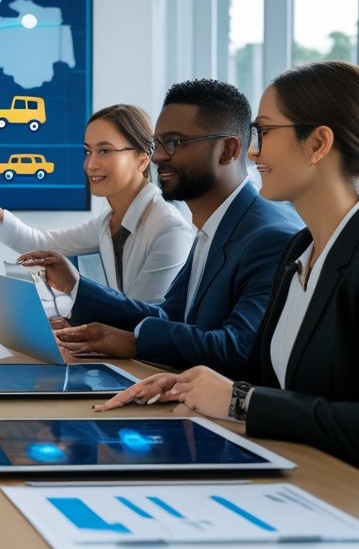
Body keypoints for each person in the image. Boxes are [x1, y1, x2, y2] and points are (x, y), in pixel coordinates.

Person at [96, 61, 359, 489]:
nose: (255, 152)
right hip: (289, 478)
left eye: (266, 132)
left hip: (352, 499)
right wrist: (195, 385)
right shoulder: (300, 251)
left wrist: (242, 402)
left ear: (318, 143)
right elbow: (269, 378)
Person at [22, 79, 301, 377]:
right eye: (158, 144)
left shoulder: (269, 238)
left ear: (228, 150)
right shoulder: (217, 223)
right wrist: (79, 292)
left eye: (175, 142)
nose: (156, 157)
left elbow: (238, 348)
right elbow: (170, 315)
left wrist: (133, 342)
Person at [0, 104, 192, 302]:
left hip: (154, 364)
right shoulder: (108, 222)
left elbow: (144, 315)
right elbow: (43, 245)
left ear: (141, 160)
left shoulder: (169, 229)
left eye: (104, 151)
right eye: (87, 151)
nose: (90, 164)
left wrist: (82, 308)